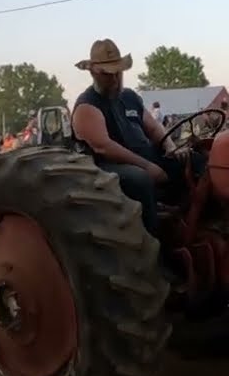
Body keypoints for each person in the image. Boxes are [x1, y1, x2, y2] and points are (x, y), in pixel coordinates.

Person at [70, 38, 205, 237]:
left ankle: (198, 222)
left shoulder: (130, 97)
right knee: (140, 179)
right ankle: (154, 244)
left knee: (196, 161)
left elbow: (153, 127)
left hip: (146, 156)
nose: (115, 79)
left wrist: (170, 147)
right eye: (108, 74)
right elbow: (105, 147)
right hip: (109, 166)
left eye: (118, 72)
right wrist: (147, 166)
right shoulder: (87, 106)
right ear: (93, 72)